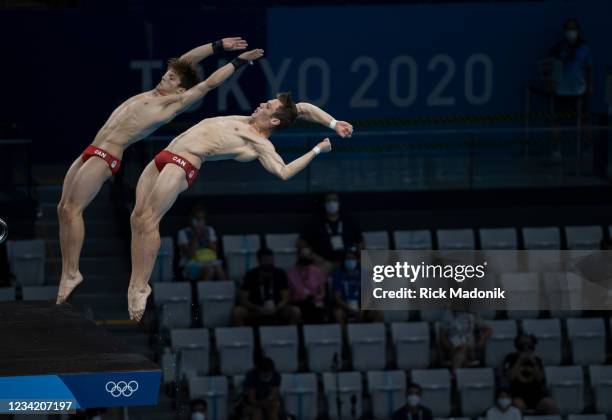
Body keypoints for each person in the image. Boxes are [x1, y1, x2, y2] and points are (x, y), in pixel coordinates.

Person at [55, 37, 252, 304]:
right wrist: (217, 46)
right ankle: (68, 271)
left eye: (171, 78)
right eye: (166, 74)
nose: (164, 77)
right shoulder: (154, 93)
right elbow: (186, 60)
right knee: (63, 208)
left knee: (74, 209)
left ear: (180, 89)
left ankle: (72, 273)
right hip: (92, 148)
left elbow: (209, 83)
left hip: (107, 154)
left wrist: (238, 62)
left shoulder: (173, 103)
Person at [127, 90, 353, 321]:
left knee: (149, 220)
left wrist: (317, 150)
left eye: (267, 106)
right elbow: (303, 108)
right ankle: (135, 283)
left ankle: (141, 286)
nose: (261, 104)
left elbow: (283, 172)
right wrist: (334, 123)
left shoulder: (258, 143)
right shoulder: (249, 119)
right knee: (136, 219)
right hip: (165, 154)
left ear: (274, 120)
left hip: (183, 163)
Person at [550, 18, 593, 160]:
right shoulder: (558, 47)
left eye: (573, 28)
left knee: (585, 123)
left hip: (580, 91)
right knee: (557, 123)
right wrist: (552, 84)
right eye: (569, 29)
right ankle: (556, 151)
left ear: (578, 30)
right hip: (561, 91)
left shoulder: (585, 47)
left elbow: (588, 68)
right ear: (565, 31)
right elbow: (552, 67)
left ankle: (587, 150)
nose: (571, 32)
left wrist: (589, 86)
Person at [233, 247, 301, 326]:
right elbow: (243, 298)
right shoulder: (251, 274)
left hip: (277, 308)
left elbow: (286, 297)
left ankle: (290, 334)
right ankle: (243, 336)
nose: (269, 262)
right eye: (266, 260)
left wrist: (277, 307)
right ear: (259, 261)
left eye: (270, 260)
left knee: (295, 311)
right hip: (256, 308)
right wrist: (256, 308)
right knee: (237, 312)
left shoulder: (280, 273)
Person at [299, 192, 363, 274]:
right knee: (315, 271)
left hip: (347, 261)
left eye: (334, 200)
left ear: (339, 203)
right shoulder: (315, 222)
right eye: (328, 200)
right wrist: (316, 258)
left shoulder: (349, 221)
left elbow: (360, 241)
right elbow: (301, 242)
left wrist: (359, 258)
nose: (332, 203)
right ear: (323, 204)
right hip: (324, 262)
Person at [502, 334, 558, 414]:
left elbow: (540, 378)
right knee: (519, 406)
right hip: (518, 394)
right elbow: (510, 377)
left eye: (529, 345)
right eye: (522, 345)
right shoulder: (510, 358)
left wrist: (534, 362)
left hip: (536, 395)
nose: (526, 348)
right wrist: (519, 360)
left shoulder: (537, 360)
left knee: (550, 405)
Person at [332, 247, 383, 325]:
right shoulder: (338, 275)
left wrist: (361, 310)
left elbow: (369, 295)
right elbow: (337, 298)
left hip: (362, 306)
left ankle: (373, 334)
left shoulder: (364, 274)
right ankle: (345, 335)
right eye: (348, 259)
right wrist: (350, 309)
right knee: (338, 313)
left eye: (352, 259)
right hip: (345, 306)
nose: (350, 261)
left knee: (378, 313)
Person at [177, 205, 226, 281]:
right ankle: (204, 292)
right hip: (190, 263)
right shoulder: (183, 233)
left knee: (219, 269)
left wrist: (206, 237)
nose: (200, 221)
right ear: (191, 219)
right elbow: (189, 255)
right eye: (197, 218)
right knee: (209, 270)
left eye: (202, 219)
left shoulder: (209, 230)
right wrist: (196, 236)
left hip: (208, 260)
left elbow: (215, 252)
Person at [286, 244, 327, 323]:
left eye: (308, 255)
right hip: (299, 302)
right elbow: (289, 296)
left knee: (318, 308)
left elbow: (323, 292)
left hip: (314, 301)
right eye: (304, 255)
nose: (306, 257)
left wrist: (317, 297)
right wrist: (300, 298)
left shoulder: (316, 271)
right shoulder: (290, 274)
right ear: (298, 256)